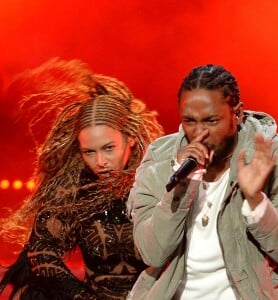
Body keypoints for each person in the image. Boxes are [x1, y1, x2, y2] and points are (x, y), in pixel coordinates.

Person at [127, 64, 278, 299]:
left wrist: (256, 201)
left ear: (237, 114)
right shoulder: (161, 159)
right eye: (189, 121)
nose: (199, 133)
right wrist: (181, 186)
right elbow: (151, 253)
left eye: (211, 121)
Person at [0, 58, 164, 299]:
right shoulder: (75, 191)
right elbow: (41, 251)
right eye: (89, 151)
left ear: (130, 138)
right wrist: (81, 297)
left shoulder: (160, 183)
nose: (100, 161)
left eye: (108, 148)